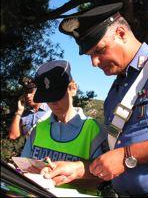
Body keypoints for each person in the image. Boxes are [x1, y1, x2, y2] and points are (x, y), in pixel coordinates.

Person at [41, 2, 148, 197]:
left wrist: (126, 155)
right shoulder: (115, 93)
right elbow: (113, 160)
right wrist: (79, 169)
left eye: (99, 51)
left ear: (122, 34)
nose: (94, 63)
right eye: (90, 56)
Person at [21, 60, 107, 195]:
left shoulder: (94, 130)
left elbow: (102, 179)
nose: (53, 103)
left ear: (73, 88)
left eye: (58, 95)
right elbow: (24, 168)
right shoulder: (38, 129)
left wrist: (59, 175)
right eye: (48, 97)